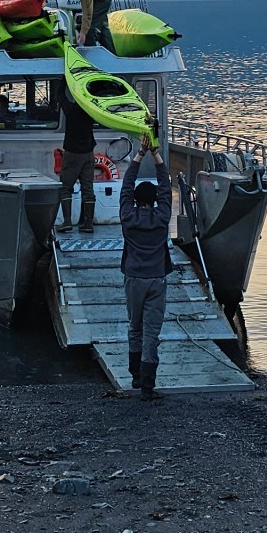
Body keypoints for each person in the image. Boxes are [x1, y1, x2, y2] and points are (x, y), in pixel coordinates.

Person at [119, 132, 172, 401]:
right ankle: (149, 385)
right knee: (152, 332)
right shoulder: (163, 217)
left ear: (136, 199)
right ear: (156, 200)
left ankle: (135, 376)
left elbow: (126, 185)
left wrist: (139, 155)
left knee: (134, 327)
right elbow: (165, 185)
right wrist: (156, 154)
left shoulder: (127, 216)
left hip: (133, 279)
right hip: (157, 279)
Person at [31, 0, 113, 48]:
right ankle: (111, 51)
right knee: (101, 25)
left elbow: (87, 14)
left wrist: (83, 33)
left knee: (90, 26)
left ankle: (90, 50)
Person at [57, 90, 97, 233]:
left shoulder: (71, 110)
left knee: (65, 187)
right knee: (88, 188)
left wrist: (63, 82)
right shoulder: (91, 111)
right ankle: (88, 223)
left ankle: (67, 221)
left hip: (72, 154)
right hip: (88, 154)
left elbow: (61, 97)